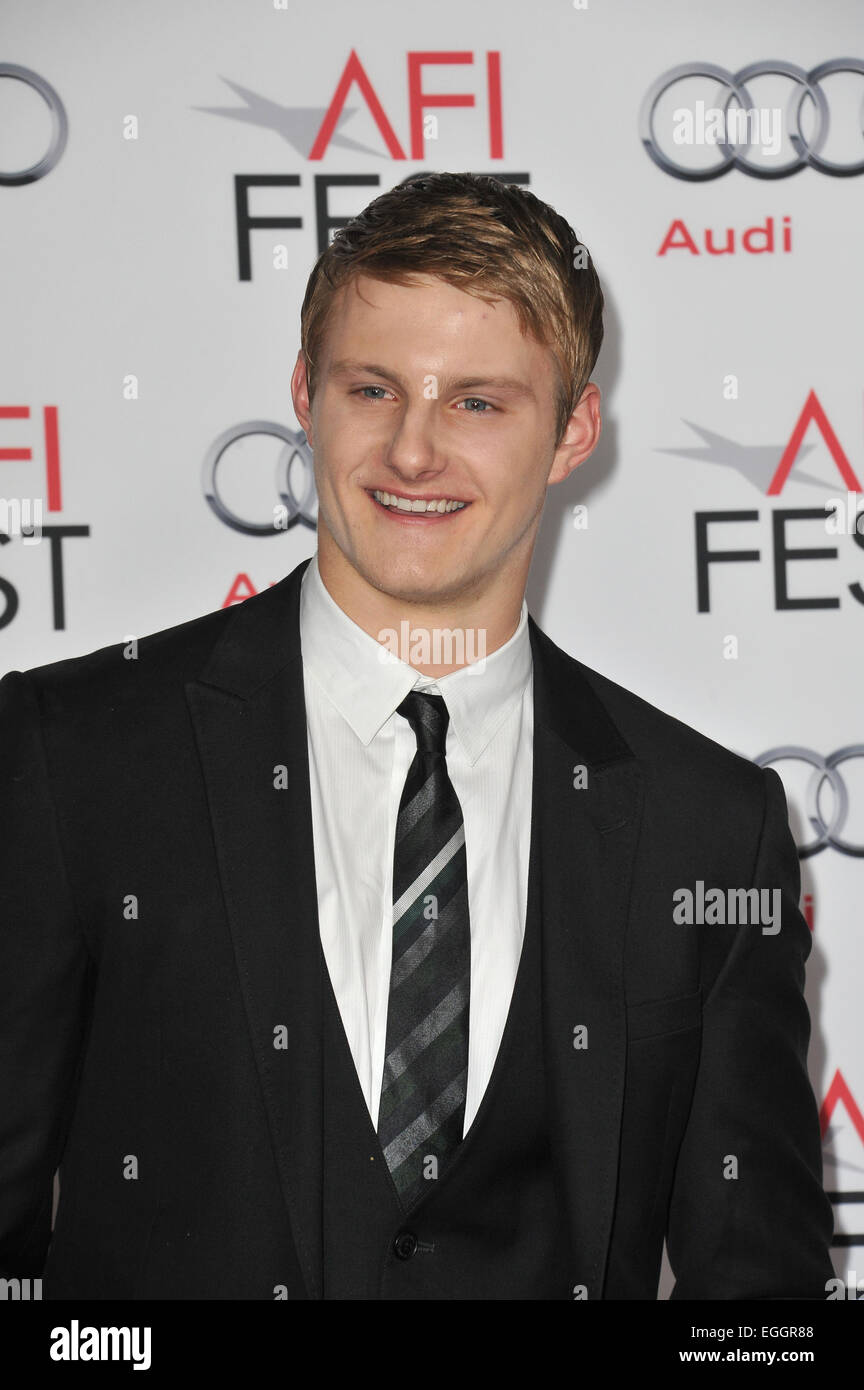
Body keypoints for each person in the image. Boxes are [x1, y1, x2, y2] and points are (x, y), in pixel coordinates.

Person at [0, 172, 834, 1300]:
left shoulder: (709, 830)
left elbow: (761, 1300)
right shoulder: (73, 756)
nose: (411, 452)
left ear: (573, 429)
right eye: (373, 388)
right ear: (305, 391)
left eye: (478, 402)